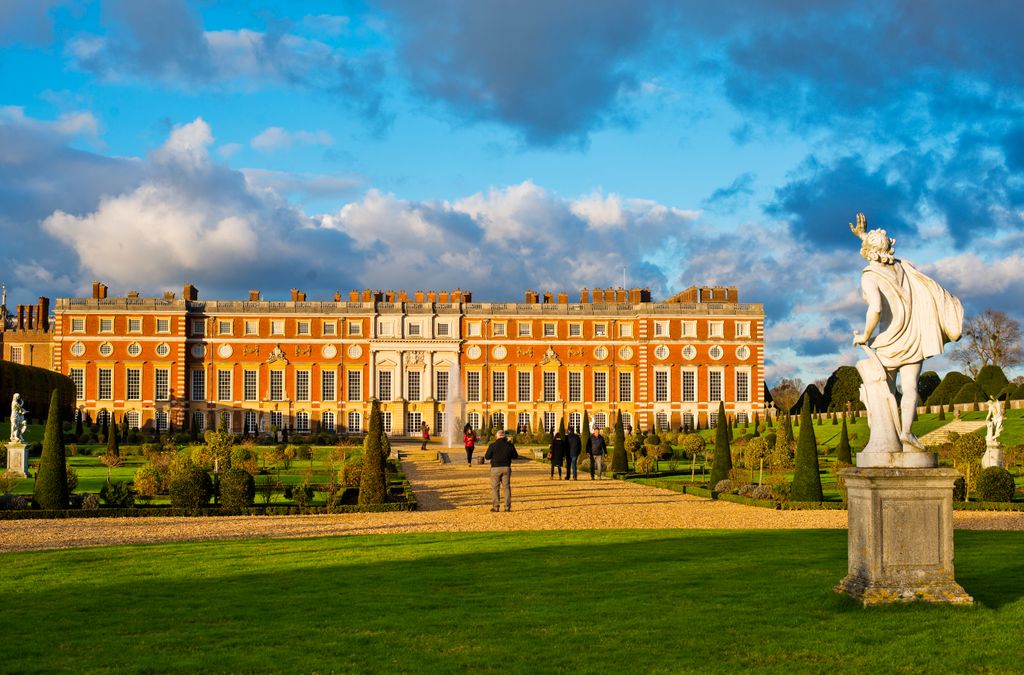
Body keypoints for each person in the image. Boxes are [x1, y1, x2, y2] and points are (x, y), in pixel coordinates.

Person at [850, 213, 962, 454]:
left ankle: (883, 439)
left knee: (880, 388)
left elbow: (876, 308)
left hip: (889, 340)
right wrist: (863, 235)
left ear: (868, 251)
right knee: (910, 386)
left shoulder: (869, 275)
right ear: (888, 247)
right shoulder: (902, 267)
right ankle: (907, 433)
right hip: (913, 338)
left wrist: (864, 335)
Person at [484, 429, 518, 511]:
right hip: (506, 467)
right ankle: (507, 507)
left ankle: (496, 507)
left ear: (497, 436)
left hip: (495, 468)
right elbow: (515, 456)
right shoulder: (509, 445)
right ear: (504, 436)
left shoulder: (493, 445)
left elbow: (487, 457)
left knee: (495, 488)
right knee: (506, 487)